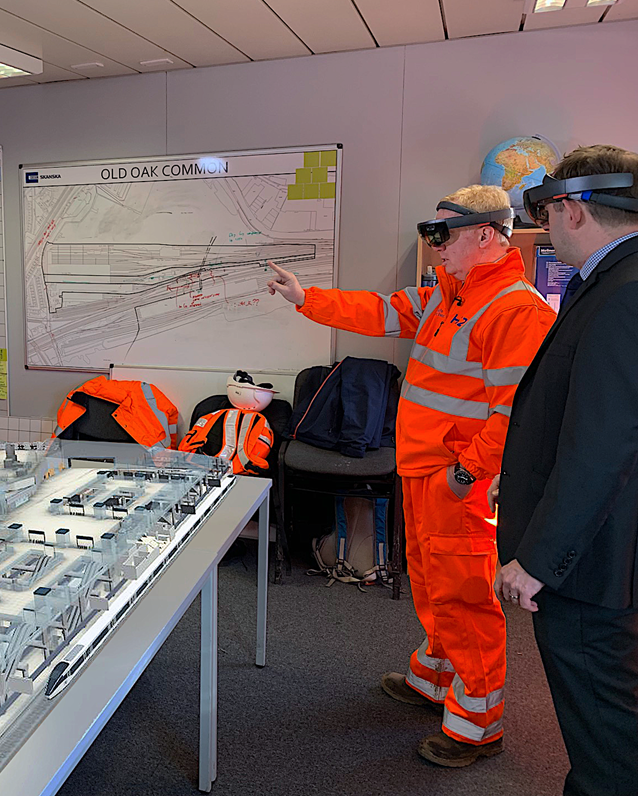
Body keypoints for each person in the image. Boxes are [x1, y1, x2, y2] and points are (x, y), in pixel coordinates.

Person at [267, 185, 556, 766]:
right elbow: (377, 311)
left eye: (441, 235)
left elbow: (512, 417)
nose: (433, 246)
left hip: (456, 481)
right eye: (431, 233)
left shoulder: (515, 311)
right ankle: (435, 678)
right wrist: (306, 298)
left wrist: (465, 477)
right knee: (429, 582)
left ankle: (477, 724)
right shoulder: (447, 293)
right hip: (422, 470)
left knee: (465, 595)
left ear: (486, 235)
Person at [492, 145, 638, 795]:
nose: (544, 231)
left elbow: (604, 445)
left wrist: (539, 560)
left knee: (605, 739)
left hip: (591, 569)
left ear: (571, 209)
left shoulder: (622, 297)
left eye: (547, 214)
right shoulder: (613, 285)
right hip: (604, 547)